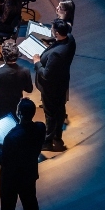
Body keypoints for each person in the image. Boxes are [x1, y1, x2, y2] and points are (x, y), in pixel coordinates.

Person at [33, 19, 76, 151]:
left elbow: (46, 74)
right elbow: (60, 42)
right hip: (62, 82)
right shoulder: (70, 39)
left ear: (57, 33)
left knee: (50, 113)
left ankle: (47, 141)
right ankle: (58, 135)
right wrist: (51, 42)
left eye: (52, 29)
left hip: (51, 87)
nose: (51, 30)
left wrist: (37, 62)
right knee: (60, 108)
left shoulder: (56, 54)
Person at [0, 41, 33, 120]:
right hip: (17, 107)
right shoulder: (25, 71)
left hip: (0, 108)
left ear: (4, 55)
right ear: (17, 55)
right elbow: (29, 89)